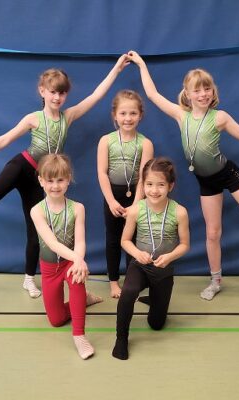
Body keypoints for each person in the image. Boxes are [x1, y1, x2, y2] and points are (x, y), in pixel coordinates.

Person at [128, 50, 239, 301]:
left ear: (213, 91)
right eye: (197, 90)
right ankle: (215, 281)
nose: (203, 94)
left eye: (207, 89)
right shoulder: (181, 115)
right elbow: (152, 94)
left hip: (227, 173)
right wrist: (141, 64)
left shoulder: (219, 117)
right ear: (187, 93)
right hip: (205, 180)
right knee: (212, 233)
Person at [0, 56, 129, 298]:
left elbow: (96, 95)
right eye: (53, 92)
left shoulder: (68, 117)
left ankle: (28, 280)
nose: (57, 97)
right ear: (42, 91)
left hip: (41, 180)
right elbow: (5, 139)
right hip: (23, 166)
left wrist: (116, 69)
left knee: (37, 233)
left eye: (62, 93)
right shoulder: (33, 118)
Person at [112, 157, 190, 360]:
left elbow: (185, 245)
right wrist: (137, 253)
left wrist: (170, 256)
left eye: (161, 185)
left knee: (156, 324)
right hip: (140, 265)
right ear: (143, 185)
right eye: (149, 184)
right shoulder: (136, 209)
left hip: (163, 269)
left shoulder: (179, 212)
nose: (154, 190)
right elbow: (125, 241)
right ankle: (121, 338)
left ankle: (154, 298)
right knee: (128, 292)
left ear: (170, 186)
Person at [30, 153, 102, 360]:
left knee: (77, 278)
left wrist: (77, 260)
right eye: (50, 180)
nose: (55, 186)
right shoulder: (37, 211)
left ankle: (79, 336)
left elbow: (80, 242)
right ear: (41, 181)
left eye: (60, 180)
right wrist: (79, 259)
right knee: (56, 320)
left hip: (70, 262)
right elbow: (52, 243)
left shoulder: (77, 208)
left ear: (68, 179)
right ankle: (85, 299)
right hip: (49, 268)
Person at [97, 89, 154, 299]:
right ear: (115, 115)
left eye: (133, 113)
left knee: (133, 239)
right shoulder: (106, 140)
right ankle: (114, 282)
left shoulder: (145, 143)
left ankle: (132, 281)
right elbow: (102, 173)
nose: (127, 118)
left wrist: (137, 204)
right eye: (123, 113)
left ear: (140, 115)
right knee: (113, 239)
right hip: (113, 195)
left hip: (137, 196)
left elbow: (144, 177)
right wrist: (111, 200)